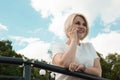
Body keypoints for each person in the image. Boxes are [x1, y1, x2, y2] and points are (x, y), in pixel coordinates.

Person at [52, 13, 102, 80]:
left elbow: (98, 72)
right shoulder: (58, 46)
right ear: (69, 26)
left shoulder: (89, 46)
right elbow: (64, 64)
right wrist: (73, 40)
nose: (81, 26)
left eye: (84, 25)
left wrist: (83, 68)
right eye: (77, 23)